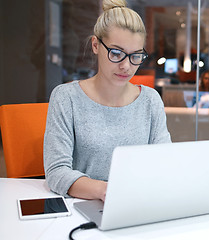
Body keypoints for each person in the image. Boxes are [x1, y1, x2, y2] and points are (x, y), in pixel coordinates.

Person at [44, 0, 171, 201]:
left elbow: (164, 162)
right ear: (96, 45)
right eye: (117, 53)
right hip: (82, 206)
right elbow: (57, 172)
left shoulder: (150, 101)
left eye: (135, 56)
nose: (126, 67)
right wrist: (107, 191)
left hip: (136, 202)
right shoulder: (66, 98)